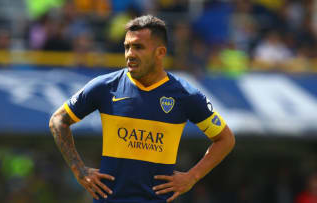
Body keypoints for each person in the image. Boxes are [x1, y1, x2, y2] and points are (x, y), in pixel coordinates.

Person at [49, 15, 235, 203]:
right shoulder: (105, 86)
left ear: (160, 52)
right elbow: (58, 120)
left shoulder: (186, 95)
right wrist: (79, 170)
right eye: (127, 47)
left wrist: (191, 177)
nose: (130, 53)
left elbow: (225, 139)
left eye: (138, 47)